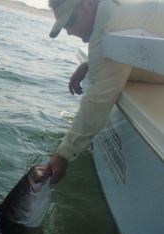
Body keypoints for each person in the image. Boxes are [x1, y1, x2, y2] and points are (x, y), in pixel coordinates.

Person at [44, 0, 164, 183]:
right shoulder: (113, 10)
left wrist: (63, 155)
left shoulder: (108, 24)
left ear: (89, 3)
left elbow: (99, 97)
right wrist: (90, 63)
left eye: (70, 22)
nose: (68, 31)